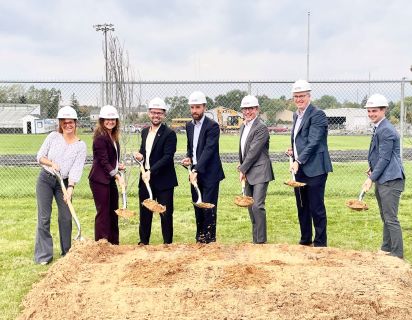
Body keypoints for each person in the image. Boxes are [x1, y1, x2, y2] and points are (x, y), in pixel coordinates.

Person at [35, 106, 87, 265]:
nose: (67, 125)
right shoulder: (53, 137)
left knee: (65, 216)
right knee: (44, 218)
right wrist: (52, 163)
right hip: (46, 179)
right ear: (60, 124)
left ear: (75, 123)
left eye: (70, 122)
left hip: (63, 183)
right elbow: (39, 157)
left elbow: (77, 168)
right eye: (64, 122)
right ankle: (44, 256)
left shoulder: (81, 146)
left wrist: (70, 188)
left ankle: (67, 253)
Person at [287, 80, 332, 247]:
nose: (299, 99)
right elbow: (300, 139)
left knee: (316, 207)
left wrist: (299, 160)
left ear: (309, 96)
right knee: (302, 206)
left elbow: (313, 142)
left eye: (302, 96)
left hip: (315, 169)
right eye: (296, 96)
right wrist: (293, 150)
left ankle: (320, 243)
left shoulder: (317, 114)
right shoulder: (296, 115)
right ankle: (305, 240)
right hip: (300, 169)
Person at [362, 94, 405, 259]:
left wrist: (371, 179)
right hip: (383, 177)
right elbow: (381, 156)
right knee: (385, 216)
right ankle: (387, 247)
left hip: (391, 180)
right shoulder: (380, 126)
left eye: (374, 111)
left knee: (390, 218)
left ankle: (397, 253)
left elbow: (386, 158)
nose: (371, 114)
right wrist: (372, 169)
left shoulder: (385, 129)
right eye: (369, 111)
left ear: (383, 110)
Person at [181, 91, 225, 243]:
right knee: (198, 205)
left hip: (210, 173)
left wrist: (195, 169)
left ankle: (210, 238)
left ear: (204, 107)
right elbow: (191, 147)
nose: (194, 111)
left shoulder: (212, 126)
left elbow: (209, 149)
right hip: (195, 173)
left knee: (209, 207)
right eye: (192, 107)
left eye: (198, 107)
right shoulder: (189, 126)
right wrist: (188, 158)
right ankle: (200, 237)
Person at [133, 97, 178, 245]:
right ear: (148, 113)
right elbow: (145, 152)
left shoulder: (169, 133)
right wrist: (140, 155)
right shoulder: (145, 131)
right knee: (145, 212)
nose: (156, 115)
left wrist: (151, 170)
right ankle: (143, 242)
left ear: (164, 114)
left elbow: (167, 157)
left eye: (159, 113)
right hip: (146, 179)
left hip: (163, 180)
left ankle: (167, 244)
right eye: (153, 112)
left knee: (165, 213)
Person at [238, 95, 274, 244]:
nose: (248, 111)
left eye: (251, 108)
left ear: (257, 109)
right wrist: (242, 166)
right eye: (245, 109)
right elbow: (244, 149)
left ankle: (260, 243)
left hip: (260, 172)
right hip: (248, 172)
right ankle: (255, 241)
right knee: (250, 206)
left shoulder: (261, 128)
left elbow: (254, 151)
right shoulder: (243, 126)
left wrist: (242, 168)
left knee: (258, 206)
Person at [89, 105, 125, 245]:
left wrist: (117, 165)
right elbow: (103, 161)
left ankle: (114, 243)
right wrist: (116, 175)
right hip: (99, 180)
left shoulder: (113, 136)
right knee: (103, 212)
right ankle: (102, 244)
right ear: (102, 120)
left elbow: (110, 159)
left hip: (109, 179)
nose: (110, 121)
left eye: (113, 119)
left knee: (113, 211)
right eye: (107, 119)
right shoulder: (100, 137)